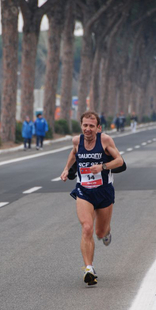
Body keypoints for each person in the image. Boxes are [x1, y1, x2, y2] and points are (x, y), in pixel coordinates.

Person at [61, 111, 123, 286]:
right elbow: (74, 154)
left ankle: (107, 231)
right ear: (81, 126)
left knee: (99, 232)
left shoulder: (105, 140)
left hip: (104, 191)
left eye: (91, 126)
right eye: (85, 125)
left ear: (98, 127)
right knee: (87, 227)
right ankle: (89, 269)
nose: (87, 129)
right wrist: (66, 168)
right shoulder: (76, 141)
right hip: (84, 191)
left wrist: (102, 166)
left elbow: (120, 161)